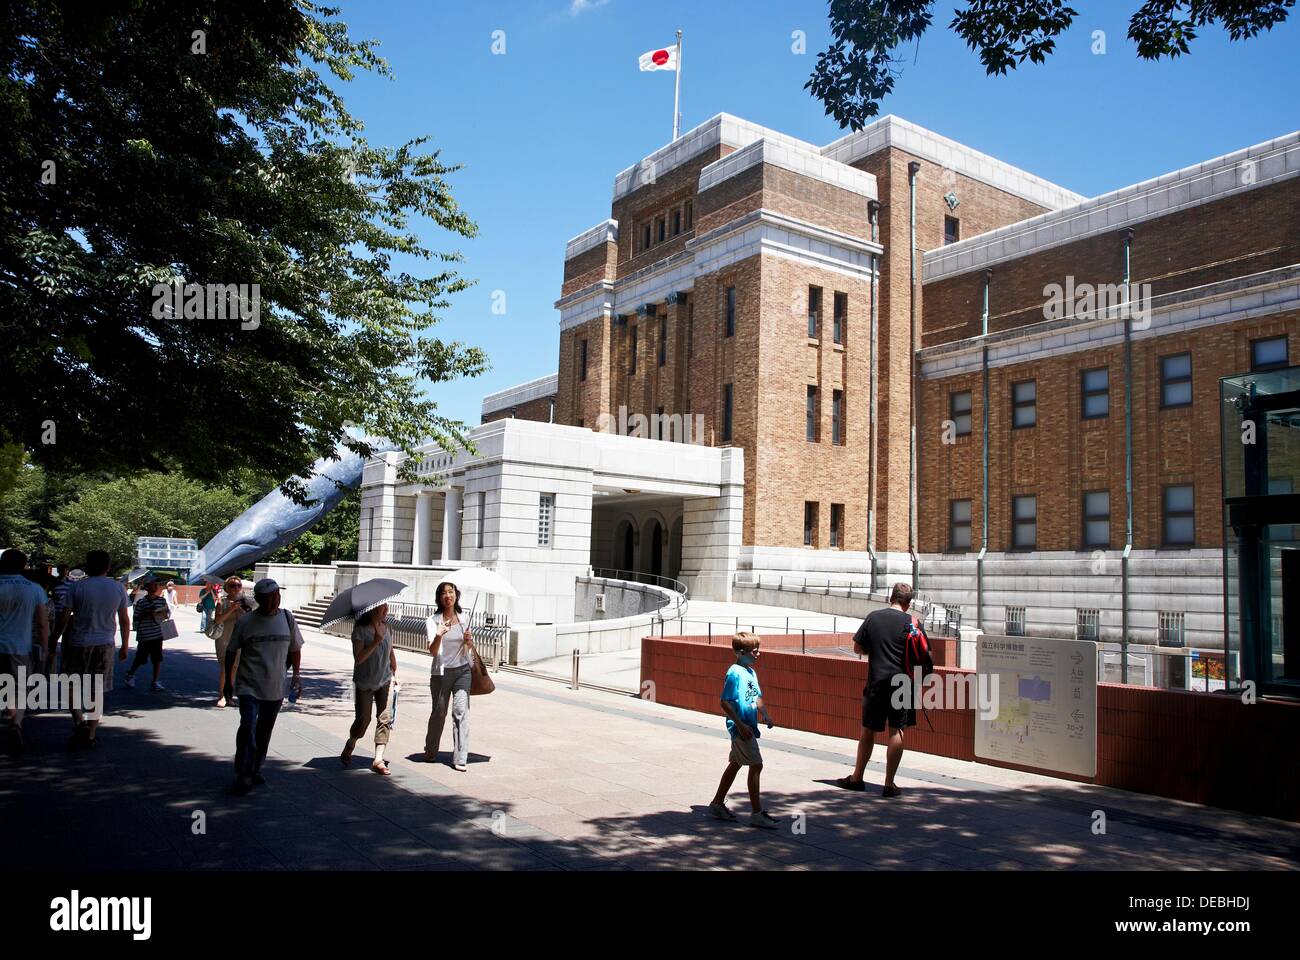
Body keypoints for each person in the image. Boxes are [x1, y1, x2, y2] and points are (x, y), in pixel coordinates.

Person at [836, 582, 917, 798]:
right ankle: (889, 784)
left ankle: (857, 778)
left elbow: (857, 647)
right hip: (903, 684)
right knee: (897, 730)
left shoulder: (874, 617)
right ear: (908, 603)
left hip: (876, 682)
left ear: (891, 598)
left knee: (868, 731)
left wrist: (876, 649)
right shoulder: (912, 622)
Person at [225, 578, 303, 795]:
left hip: (275, 686)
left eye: (276, 596)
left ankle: (256, 767)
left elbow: (295, 648)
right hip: (249, 684)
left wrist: (296, 675)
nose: (274, 601)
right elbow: (231, 650)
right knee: (248, 725)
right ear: (258, 599)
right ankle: (244, 772)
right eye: (269, 598)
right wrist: (227, 685)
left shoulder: (287, 619)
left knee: (264, 730)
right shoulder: (246, 622)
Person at [56, 551, 130, 748]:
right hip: (104, 643)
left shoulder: (77, 587)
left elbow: (64, 616)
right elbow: (124, 619)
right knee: (96, 690)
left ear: (87, 567)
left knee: (70, 684)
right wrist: (124, 645)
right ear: (108, 566)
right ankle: (91, 733)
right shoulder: (118, 588)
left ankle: (79, 720)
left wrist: (54, 639)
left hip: (76, 642)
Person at [708, 632, 778, 828]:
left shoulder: (751, 672)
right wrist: (740, 724)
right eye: (754, 651)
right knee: (756, 765)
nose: (758, 654)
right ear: (740, 652)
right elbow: (725, 702)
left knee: (736, 763)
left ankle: (716, 804)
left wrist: (765, 714)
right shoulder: (734, 673)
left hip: (748, 726)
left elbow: (757, 696)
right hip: (741, 729)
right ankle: (756, 813)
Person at [0, 550, 50, 755]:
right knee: (20, 689)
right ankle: (16, 722)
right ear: (24, 565)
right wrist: (46, 647)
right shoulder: (34, 589)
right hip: (20, 647)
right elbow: (42, 622)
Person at [341, 603, 398, 776]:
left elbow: (390, 651)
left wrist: (395, 670)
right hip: (364, 681)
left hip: (385, 679)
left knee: (385, 718)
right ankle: (351, 742)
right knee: (363, 720)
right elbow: (358, 659)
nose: (386, 612)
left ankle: (378, 759)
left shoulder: (386, 627)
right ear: (373, 610)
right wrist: (375, 641)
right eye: (383, 609)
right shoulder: (360, 631)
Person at [423, 581, 475, 770]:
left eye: (451, 592)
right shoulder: (433, 621)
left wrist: (469, 642)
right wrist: (439, 634)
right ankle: (430, 750)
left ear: (456, 595)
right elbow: (433, 651)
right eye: (444, 593)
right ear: (439, 597)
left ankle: (460, 757)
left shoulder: (464, 618)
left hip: (463, 671)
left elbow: (468, 647)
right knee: (439, 713)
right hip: (441, 673)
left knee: (461, 712)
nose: (448, 596)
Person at [211, 576, 251, 707]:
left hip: (239, 639)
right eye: (233, 586)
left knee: (234, 667)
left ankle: (229, 696)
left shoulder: (245, 602)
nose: (236, 588)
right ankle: (221, 696)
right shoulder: (222, 602)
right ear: (227, 588)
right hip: (224, 638)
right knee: (225, 667)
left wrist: (243, 609)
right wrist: (232, 609)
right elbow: (217, 620)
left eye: (238, 585)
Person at [125, 579, 170, 691]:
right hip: (145, 634)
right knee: (140, 658)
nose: (155, 587)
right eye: (153, 585)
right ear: (147, 588)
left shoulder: (161, 600)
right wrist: (149, 613)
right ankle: (130, 674)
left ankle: (155, 681)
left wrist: (162, 613)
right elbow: (136, 618)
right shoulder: (141, 602)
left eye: (156, 585)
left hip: (157, 633)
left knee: (157, 659)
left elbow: (167, 614)